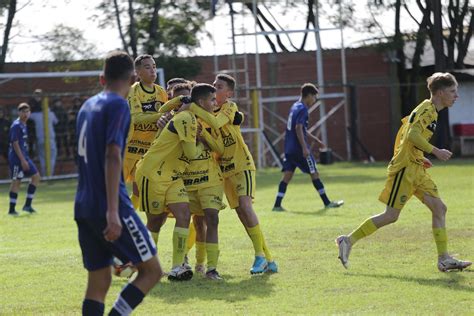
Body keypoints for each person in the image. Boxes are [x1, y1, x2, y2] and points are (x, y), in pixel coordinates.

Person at [336, 72, 472, 272]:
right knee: (391, 216)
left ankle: (443, 259)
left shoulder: (432, 111)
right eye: (453, 91)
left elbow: (404, 134)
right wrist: (435, 151)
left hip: (415, 167)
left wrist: (419, 155)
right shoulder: (427, 110)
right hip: (405, 170)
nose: (456, 96)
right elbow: (411, 134)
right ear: (441, 92)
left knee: (439, 208)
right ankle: (347, 240)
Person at [74, 51, 162, 316]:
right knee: (152, 271)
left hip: (84, 205)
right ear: (134, 78)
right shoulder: (118, 105)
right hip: (110, 205)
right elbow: (112, 155)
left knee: (99, 282)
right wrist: (113, 211)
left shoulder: (86, 106)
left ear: (102, 78)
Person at [185, 74, 278, 274]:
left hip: (241, 164)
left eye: (219, 87)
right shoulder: (205, 112)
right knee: (242, 214)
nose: (215, 89)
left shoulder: (229, 107)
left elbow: (217, 123)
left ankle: (259, 256)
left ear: (228, 93)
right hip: (224, 171)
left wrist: (192, 107)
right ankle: (268, 258)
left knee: (246, 206)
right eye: (213, 86)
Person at [135, 84, 217, 281]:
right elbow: (191, 153)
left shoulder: (189, 118)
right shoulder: (186, 119)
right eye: (212, 100)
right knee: (155, 221)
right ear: (201, 103)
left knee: (183, 214)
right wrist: (200, 141)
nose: (215, 103)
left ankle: (177, 266)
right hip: (152, 174)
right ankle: (145, 267)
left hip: (173, 176)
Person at [272, 83, 344, 211]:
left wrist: (315, 140)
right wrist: (305, 148)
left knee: (287, 175)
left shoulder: (295, 106)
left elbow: (301, 128)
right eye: (314, 97)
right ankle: (327, 203)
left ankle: (277, 205)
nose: (314, 100)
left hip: (289, 148)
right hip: (300, 149)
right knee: (314, 173)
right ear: (309, 95)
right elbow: (298, 128)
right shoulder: (303, 109)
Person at [123, 54, 168, 209]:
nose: (152, 70)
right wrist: (161, 116)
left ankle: (127, 219)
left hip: (148, 151)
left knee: (139, 190)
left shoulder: (161, 92)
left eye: (154, 66)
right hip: (129, 149)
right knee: (115, 190)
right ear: (138, 72)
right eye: (147, 67)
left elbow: (167, 118)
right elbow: (136, 118)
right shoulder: (133, 91)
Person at [7, 103, 41, 216]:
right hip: (17, 159)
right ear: (18, 113)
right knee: (16, 182)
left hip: (24, 157)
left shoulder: (24, 124)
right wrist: (22, 160)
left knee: (36, 177)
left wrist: (25, 158)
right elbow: (15, 143)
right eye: (23, 112)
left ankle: (27, 205)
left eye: (27, 111)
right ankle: (11, 210)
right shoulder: (16, 125)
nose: (25, 114)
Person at [28, 89, 58, 176]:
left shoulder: (35, 115)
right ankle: (50, 174)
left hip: (40, 138)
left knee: (42, 157)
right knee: (52, 156)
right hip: (50, 138)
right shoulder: (51, 114)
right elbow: (56, 122)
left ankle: (45, 174)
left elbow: (27, 115)